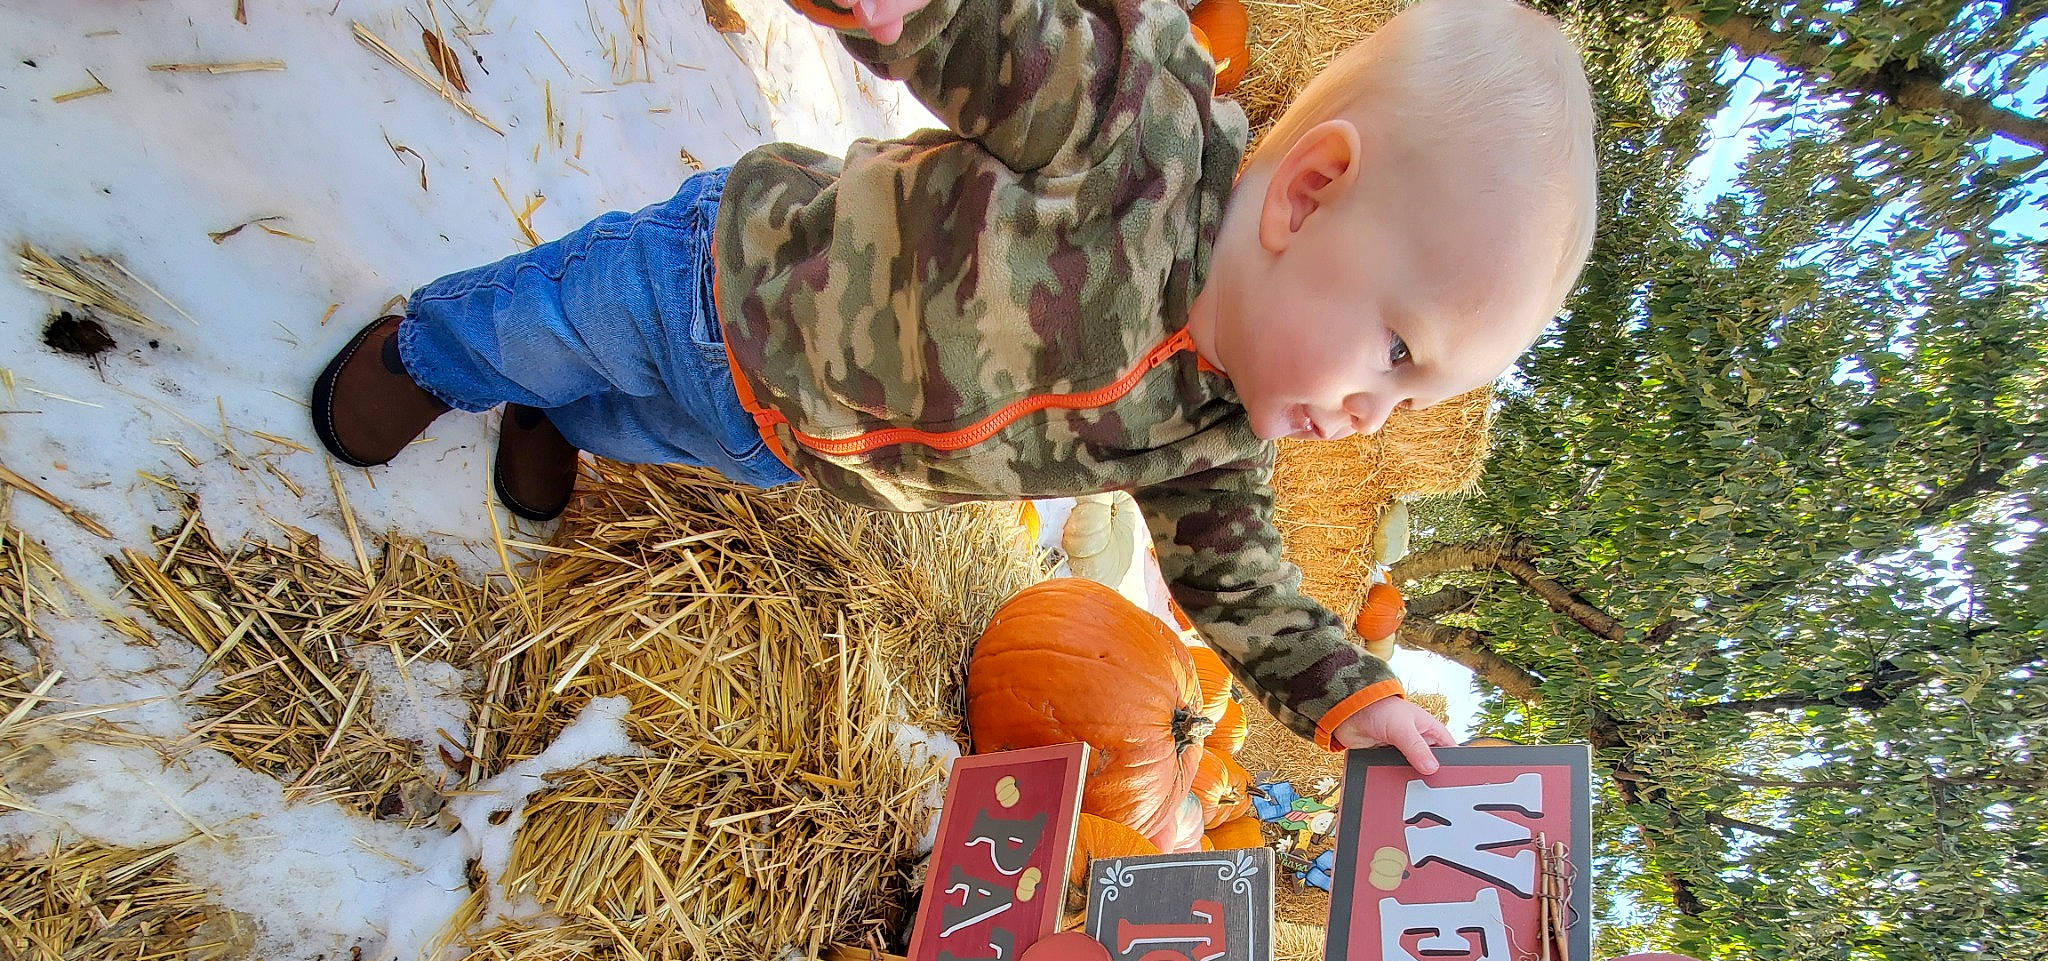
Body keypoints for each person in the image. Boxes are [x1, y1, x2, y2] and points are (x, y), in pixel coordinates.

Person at [309, 0, 1596, 773]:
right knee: (545, 317)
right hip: (725, 283)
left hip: (799, 444)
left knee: (640, 426)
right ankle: (427, 356)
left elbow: (1248, 596)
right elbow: (996, 36)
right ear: (1309, 195)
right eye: (1395, 354)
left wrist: (1345, 695)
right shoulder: (1131, 128)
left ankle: (556, 416)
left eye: (1412, 405)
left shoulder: (1207, 445)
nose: (1374, 416)